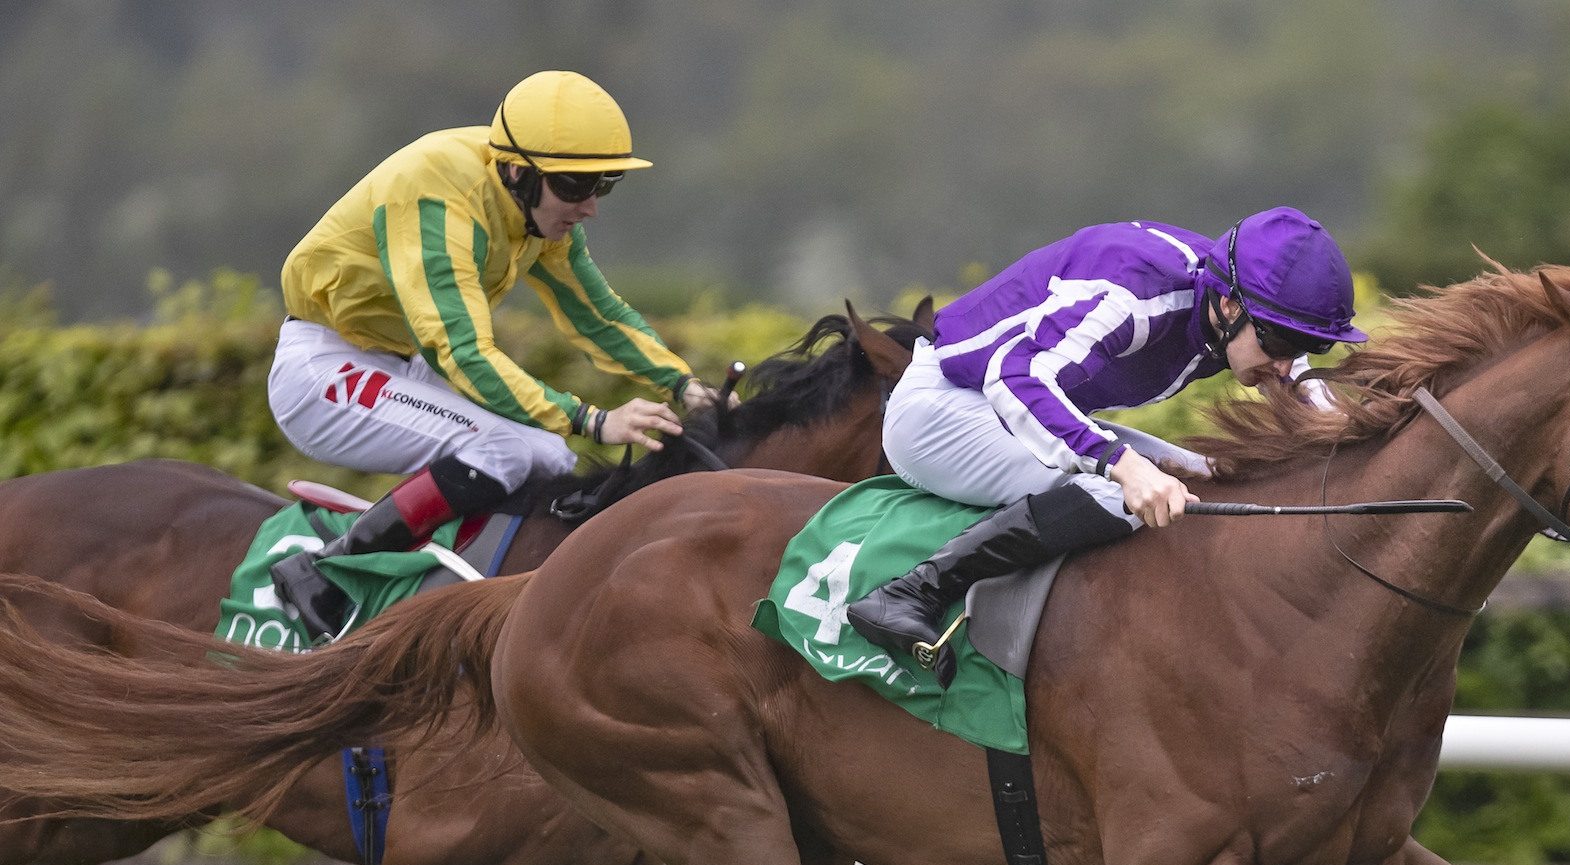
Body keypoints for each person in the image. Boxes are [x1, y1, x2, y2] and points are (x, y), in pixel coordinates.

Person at [266, 70, 727, 641]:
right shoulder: (438, 192)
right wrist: (594, 420)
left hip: (388, 361)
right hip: (322, 369)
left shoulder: (534, 206)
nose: (590, 208)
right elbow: (462, 353)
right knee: (507, 449)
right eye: (577, 187)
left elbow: (597, 313)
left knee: (550, 456)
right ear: (518, 173)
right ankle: (326, 569)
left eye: (603, 185)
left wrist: (682, 384)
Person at [845, 207, 1368, 685]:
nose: (1286, 361)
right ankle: (913, 592)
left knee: (1205, 479)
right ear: (1229, 304)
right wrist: (1121, 464)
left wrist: (1351, 443)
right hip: (942, 413)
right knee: (1121, 493)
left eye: (1309, 345)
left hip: (1000, 403)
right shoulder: (1133, 299)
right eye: (1279, 342)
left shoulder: (1234, 300)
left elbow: (1301, 380)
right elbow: (1014, 377)